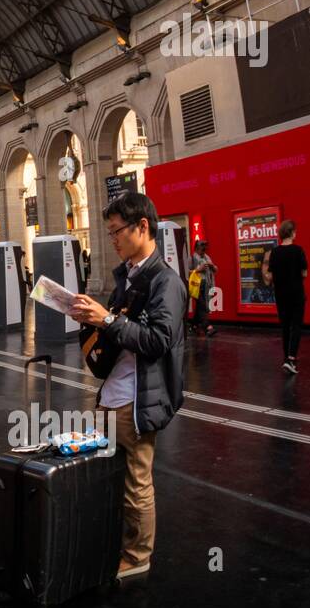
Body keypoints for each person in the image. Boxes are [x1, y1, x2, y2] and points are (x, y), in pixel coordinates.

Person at [68, 192, 187, 581]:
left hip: (138, 399)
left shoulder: (166, 281)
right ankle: (113, 541)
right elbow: (119, 328)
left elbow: (157, 341)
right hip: (113, 393)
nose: (112, 240)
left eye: (117, 231)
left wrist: (107, 320)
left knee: (136, 481)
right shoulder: (130, 276)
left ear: (142, 227)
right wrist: (94, 317)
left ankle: (138, 557)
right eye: (110, 232)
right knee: (110, 477)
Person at [265, 220, 308, 374]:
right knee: (296, 325)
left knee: (285, 326)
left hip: (281, 294)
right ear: (292, 233)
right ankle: (291, 358)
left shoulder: (275, 252)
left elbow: (269, 276)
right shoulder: (298, 250)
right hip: (297, 293)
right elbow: (304, 273)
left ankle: (286, 358)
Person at [188, 239, 217, 337]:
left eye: (205, 247)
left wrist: (212, 266)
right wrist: (198, 269)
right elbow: (186, 271)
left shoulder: (206, 257)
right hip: (196, 285)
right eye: (202, 246)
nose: (204, 249)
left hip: (206, 285)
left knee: (201, 306)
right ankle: (208, 327)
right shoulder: (191, 258)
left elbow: (216, 269)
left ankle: (194, 325)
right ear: (197, 248)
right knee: (203, 305)